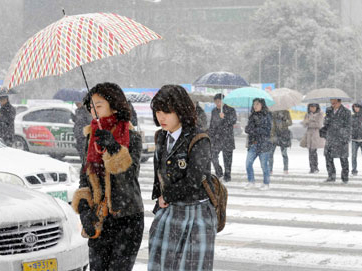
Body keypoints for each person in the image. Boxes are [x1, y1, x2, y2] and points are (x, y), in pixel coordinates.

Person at [71, 82, 144, 271]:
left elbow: (129, 176)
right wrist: (85, 207)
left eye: (99, 105)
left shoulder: (132, 136)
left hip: (127, 218)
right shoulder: (92, 136)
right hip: (100, 219)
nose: (93, 110)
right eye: (91, 106)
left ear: (114, 105)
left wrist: (114, 148)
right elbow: (85, 175)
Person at [148, 85, 217, 271]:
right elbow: (159, 174)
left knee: (192, 266)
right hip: (169, 212)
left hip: (196, 214)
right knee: (162, 265)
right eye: (158, 111)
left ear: (180, 110)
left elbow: (194, 179)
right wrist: (159, 201)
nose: (161, 117)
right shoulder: (161, 137)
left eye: (167, 112)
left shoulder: (199, 139)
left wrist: (167, 196)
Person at [320, 99, 351, 183]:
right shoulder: (329, 110)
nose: (332, 104)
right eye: (331, 103)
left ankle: (345, 178)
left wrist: (345, 137)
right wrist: (327, 118)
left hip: (341, 138)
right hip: (330, 137)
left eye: (334, 103)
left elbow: (348, 126)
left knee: (343, 158)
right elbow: (326, 123)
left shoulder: (346, 112)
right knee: (328, 157)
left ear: (339, 102)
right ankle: (331, 176)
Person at [244, 98, 273, 190]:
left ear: (262, 105)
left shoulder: (267, 115)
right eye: (254, 104)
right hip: (253, 143)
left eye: (257, 104)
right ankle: (251, 181)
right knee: (248, 163)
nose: (255, 106)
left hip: (264, 144)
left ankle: (266, 183)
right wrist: (251, 129)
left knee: (264, 165)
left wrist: (254, 130)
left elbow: (267, 130)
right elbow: (247, 129)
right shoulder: (252, 116)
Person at [208, 93, 237, 182]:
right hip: (216, 138)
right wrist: (210, 135)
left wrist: (225, 117)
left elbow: (233, 121)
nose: (218, 103)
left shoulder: (231, 110)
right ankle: (219, 172)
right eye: (216, 101)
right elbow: (212, 125)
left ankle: (227, 176)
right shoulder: (214, 111)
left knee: (227, 159)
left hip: (227, 138)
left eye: (219, 101)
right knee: (213, 156)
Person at [300, 103, 325, 173]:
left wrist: (309, 122)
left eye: (313, 107)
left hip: (316, 134)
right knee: (310, 152)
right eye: (311, 107)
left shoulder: (320, 114)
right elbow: (304, 124)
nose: (312, 109)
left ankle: (315, 167)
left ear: (316, 108)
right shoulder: (307, 114)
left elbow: (319, 124)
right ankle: (312, 167)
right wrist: (307, 122)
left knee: (313, 151)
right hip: (309, 134)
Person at [269, 110, 292, 174]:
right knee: (271, 153)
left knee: (284, 154)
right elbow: (272, 124)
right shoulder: (273, 113)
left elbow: (290, 122)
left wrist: (284, 121)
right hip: (275, 135)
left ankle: (285, 169)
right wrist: (271, 134)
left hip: (284, 135)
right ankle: (270, 169)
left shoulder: (286, 112)